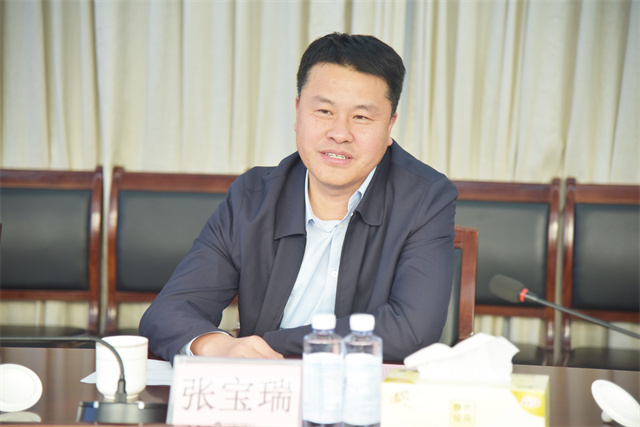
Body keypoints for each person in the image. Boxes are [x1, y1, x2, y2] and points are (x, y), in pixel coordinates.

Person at [139, 32, 457, 363]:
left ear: (390, 125)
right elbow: (168, 312)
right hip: (265, 388)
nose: (340, 133)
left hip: (363, 388)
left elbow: (411, 330)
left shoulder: (426, 198)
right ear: (298, 111)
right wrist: (220, 346)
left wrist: (265, 343)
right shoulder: (253, 197)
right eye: (324, 111)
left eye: (361, 117)